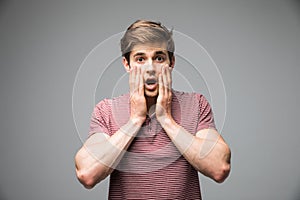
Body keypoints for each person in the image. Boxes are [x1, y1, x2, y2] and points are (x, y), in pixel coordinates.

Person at [75, 19, 231, 199]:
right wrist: (135, 120)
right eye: (140, 59)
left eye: (158, 58)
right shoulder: (106, 110)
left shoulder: (196, 104)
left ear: (171, 62)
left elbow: (220, 168)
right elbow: (87, 173)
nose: (150, 68)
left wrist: (166, 119)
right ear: (127, 64)